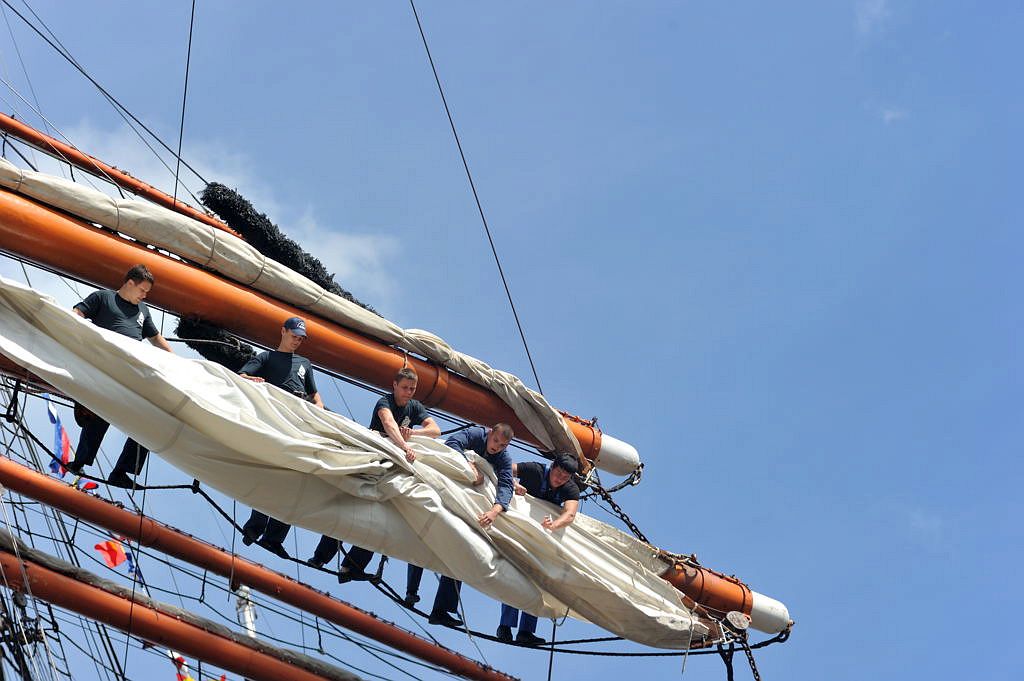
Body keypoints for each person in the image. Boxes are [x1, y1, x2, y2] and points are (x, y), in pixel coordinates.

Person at [307, 367, 440, 575]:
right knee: (350, 507)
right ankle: (320, 557)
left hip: (393, 468)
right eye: (405, 387)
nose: (408, 392)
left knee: (378, 520)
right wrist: (405, 446)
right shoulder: (384, 402)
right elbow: (389, 424)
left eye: (412, 389)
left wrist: (413, 433)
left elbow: (435, 429)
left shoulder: (414, 407)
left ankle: (352, 567)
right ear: (395, 385)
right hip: (372, 462)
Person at [66, 264, 174, 487]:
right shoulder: (102, 298)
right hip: (105, 367)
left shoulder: (143, 311)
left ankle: (122, 472)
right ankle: (80, 461)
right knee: (101, 410)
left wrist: (178, 362)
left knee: (151, 418)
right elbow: (76, 315)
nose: (145, 295)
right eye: (143, 290)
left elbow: (155, 338)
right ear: (130, 283)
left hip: (133, 371)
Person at [408, 423, 515, 627]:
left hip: (469, 501)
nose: (497, 447)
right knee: (424, 531)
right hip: (447, 485)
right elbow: (453, 444)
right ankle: (411, 591)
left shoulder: (503, 458)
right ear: (490, 433)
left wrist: (495, 510)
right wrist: (470, 465)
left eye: (502, 446)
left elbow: (506, 484)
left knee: (462, 547)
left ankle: (442, 609)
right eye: (495, 441)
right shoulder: (475, 434)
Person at [238, 316, 324, 559]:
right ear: (283, 331)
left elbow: (315, 396)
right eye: (294, 335)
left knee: (294, 481)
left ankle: (274, 537)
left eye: (301, 338)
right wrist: (253, 380)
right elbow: (241, 376)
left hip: (298, 423)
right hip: (276, 421)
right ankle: (255, 526)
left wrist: (317, 411)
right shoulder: (266, 357)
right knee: (271, 475)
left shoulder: (305, 363)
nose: (297, 341)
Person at [496, 452, 581, 646]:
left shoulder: (570, 489)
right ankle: (505, 627)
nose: (560, 479)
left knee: (536, 583)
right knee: (514, 578)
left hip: (540, 539)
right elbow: (504, 469)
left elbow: (570, 514)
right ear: (552, 466)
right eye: (558, 473)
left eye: (565, 477)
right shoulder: (534, 470)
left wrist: (554, 524)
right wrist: (514, 485)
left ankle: (526, 631)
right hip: (518, 532)